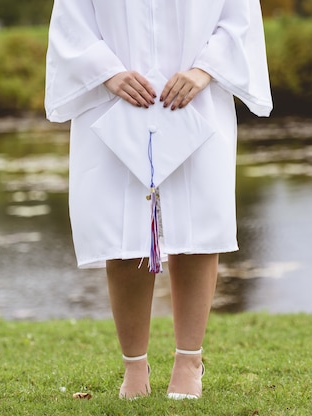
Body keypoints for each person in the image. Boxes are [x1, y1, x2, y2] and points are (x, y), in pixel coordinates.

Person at [45, 0, 272, 400]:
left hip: (195, 97)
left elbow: (238, 18)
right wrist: (108, 73)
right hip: (115, 99)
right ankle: (134, 366)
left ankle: (189, 361)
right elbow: (72, 20)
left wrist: (204, 70)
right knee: (122, 231)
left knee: (198, 226)